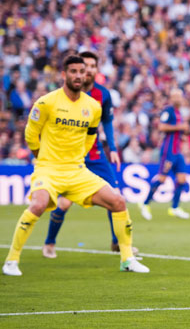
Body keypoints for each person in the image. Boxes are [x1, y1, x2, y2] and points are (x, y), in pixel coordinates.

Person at [2, 55, 149, 276]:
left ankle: (127, 259)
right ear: (64, 74)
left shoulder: (93, 106)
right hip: (48, 169)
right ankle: (12, 260)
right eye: (73, 71)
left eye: (82, 71)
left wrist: (79, 156)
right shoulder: (47, 102)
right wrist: (40, 157)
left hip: (77, 170)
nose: (78, 75)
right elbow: (31, 134)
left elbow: (91, 137)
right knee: (38, 205)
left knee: (118, 201)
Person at [42, 51, 132, 258]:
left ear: (96, 70)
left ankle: (117, 243)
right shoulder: (66, 95)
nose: (89, 70)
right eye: (85, 67)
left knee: (116, 197)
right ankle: (49, 242)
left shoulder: (103, 95)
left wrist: (113, 148)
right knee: (63, 203)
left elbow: (107, 122)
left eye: (92, 66)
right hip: (72, 157)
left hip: (95, 154)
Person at [138, 88, 190, 220]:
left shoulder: (179, 112)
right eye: (176, 96)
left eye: (180, 96)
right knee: (162, 178)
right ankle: (145, 204)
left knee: (182, 179)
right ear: (172, 98)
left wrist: (182, 135)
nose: (179, 98)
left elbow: (177, 130)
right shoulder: (168, 111)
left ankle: (175, 207)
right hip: (168, 150)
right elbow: (161, 127)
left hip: (177, 151)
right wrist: (180, 128)